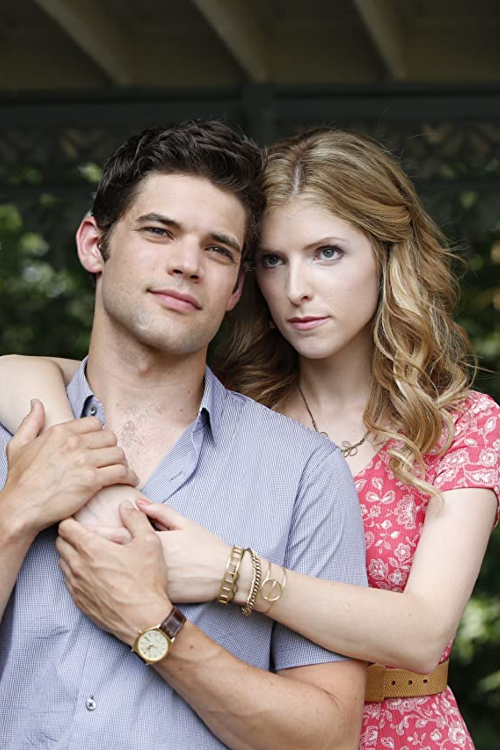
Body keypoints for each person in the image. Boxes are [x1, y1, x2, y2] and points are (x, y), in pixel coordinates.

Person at [2, 128, 499, 749]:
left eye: (327, 253)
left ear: (386, 258)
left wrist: (231, 572)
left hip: (395, 723)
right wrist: (74, 472)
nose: (296, 290)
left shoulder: (453, 423)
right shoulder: (236, 402)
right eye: (272, 260)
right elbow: (45, 373)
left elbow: (424, 634)